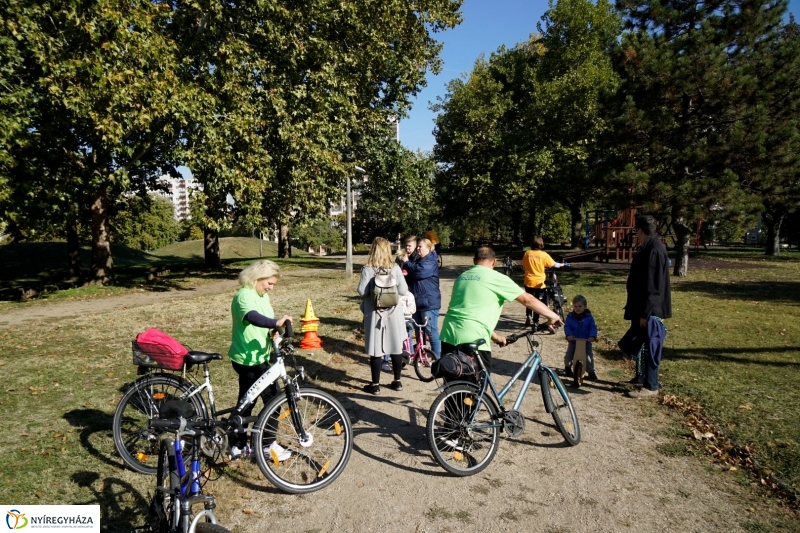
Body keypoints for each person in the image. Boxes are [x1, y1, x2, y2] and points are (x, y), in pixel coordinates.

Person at [440, 246, 564, 376]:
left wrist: (496, 337)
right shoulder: (496, 278)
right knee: (477, 390)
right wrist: (552, 315)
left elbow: (469, 313)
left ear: (474, 260)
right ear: (494, 261)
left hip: (448, 336)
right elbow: (527, 300)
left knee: (454, 390)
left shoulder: (462, 277)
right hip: (474, 338)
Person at [228, 259, 292, 460]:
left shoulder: (261, 295)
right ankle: (260, 445)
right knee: (267, 400)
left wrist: (273, 331)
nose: (271, 288)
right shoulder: (244, 296)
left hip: (259, 356)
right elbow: (252, 317)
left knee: (250, 402)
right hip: (247, 358)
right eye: (269, 283)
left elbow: (262, 322)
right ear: (258, 278)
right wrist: (274, 322)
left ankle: (239, 444)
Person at [620, 215, 672, 399]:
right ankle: (640, 377)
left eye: (637, 230)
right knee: (640, 345)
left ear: (641, 230)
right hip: (641, 306)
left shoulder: (655, 250)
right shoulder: (648, 248)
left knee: (651, 345)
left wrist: (646, 313)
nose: (636, 234)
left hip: (650, 309)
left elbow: (653, 286)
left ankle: (651, 385)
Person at [357, 237, 409, 395]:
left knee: (376, 348)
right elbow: (403, 290)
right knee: (396, 346)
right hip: (394, 312)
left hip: (375, 313)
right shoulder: (395, 268)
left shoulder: (368, 269)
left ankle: (375, 384)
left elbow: (361, 291)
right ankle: (397, 381)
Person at [403, 237, 442, 359]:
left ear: (429, 248)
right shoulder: (418, 260)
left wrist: (406, 263)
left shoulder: (430, 261)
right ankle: (422, 355)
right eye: (417, 246)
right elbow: (411, 275)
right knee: (420, 331)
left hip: (429, 302)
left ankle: (437, 357)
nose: (418, 248)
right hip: (418, 301)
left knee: (431, 331)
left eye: (421, 246)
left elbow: (420, 272)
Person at [521, 236, 565, 331]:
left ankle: (528, 315)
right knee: (537, 302)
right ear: (541, 244)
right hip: (539, 283)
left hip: (528, 281)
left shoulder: (527, 253)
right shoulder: (543, 255)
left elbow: (524, 265)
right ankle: (535, 322)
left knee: (529, 300)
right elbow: (554, 264)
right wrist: (562, 264)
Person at [564, 294, 598, 381]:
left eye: (580, 306)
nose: (577, 308)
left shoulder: (589, 317)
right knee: (569, 356)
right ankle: (568, 367)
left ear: (585, 307)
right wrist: (568, 335)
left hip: (585, 342)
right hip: (573, 341)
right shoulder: (570, 316)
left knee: (588, 358)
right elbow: (567, 326)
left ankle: (591, 372)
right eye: (575, 306)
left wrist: (592, 336)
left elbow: (592, 327)